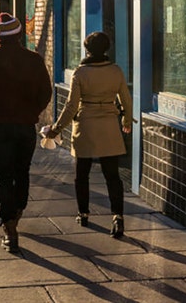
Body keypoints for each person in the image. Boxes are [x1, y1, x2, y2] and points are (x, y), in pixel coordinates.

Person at [0, 13, 52, 253]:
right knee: (22, 172)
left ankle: (9, 226)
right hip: (25, 125)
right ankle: (17, 212)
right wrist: (33, 112)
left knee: (3, 176)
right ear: (19, 34)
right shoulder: (34, 60)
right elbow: (46, 92)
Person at [45, 31, 132, 238]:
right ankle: (118, 217)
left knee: (81, 175)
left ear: (87, 49)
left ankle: (83, 213)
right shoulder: (116, 71)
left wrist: (56, 129)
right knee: (112, 176)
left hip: (85, 127)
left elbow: (71, 106)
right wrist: (126, 121)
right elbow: (126, 101)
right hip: (109, 126)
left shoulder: (80, 73)